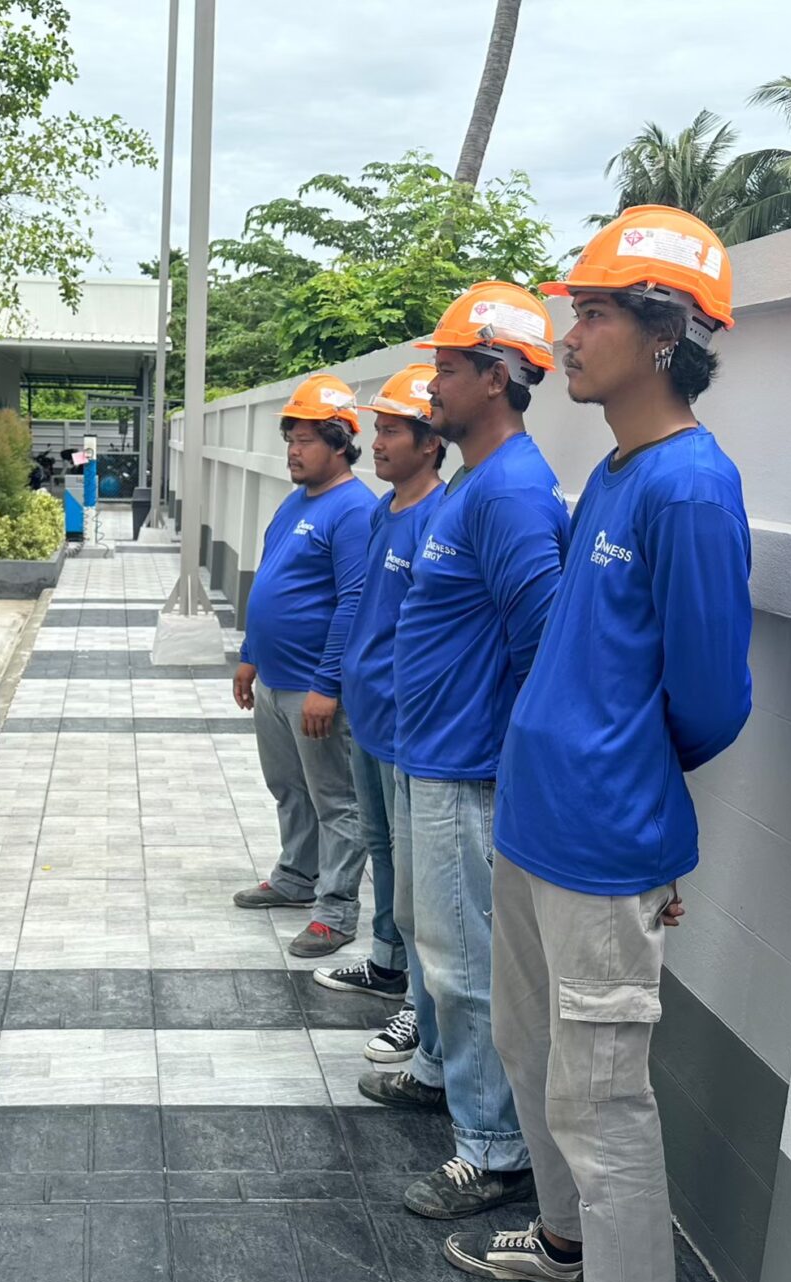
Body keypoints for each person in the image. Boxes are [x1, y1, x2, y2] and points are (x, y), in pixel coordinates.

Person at [459, 206, 751, 1282]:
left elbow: (712, 699)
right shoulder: (619, 473)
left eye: (591, 314)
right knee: (532, 1053)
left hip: (601, 843)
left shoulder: (692, 490)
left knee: (602, 1088)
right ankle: (565, 1241)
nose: (568, 337)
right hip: (538, 828)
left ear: (664, 331)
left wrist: (623, 788)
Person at [358, 284, 570, 1227]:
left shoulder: (513, 493)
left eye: (445, 369)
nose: (431, 385)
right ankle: (440, 1071)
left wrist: (508, 773)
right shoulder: (479, 485)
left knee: (467, 965)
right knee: (431, 937)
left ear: (495, 378)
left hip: (467, 767)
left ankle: (492, 1150)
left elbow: (543, 650)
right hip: (428, 754)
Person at [311, 364, 447, 1071]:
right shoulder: (382, 511)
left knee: (419, 872)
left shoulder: (439, 516)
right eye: (380, 428)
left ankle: (420, 1008)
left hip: (407, 725)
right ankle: (388, 962)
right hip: (368, 714)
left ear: (430, 442)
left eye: (393, 430)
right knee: (383, 848)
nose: (380, 442)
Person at [231, 374, 377, 959]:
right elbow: (270, 580)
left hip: (314, 688)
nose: (293, 451)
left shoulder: (355, 511)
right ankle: (296, 875)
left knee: (336, 801)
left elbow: (354, 601)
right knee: (288, 787)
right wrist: (249, 657)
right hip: (274, 681)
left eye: (306, 440)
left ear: (340, 443)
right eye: (290, 439)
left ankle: (336, 911)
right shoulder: (295, 503)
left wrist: (327, 684)